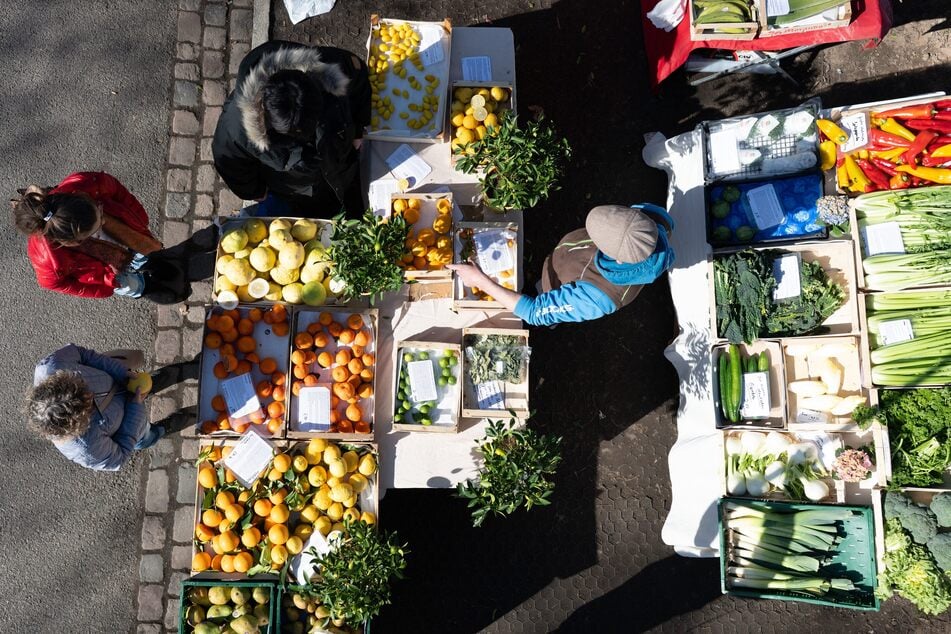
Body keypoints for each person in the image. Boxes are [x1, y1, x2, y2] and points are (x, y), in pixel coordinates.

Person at [212, 40, 371, 218]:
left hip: (338, 157)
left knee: (350, 194)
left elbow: (359, 81)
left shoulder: (330, 68)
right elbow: (230, 163)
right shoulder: (236, 127)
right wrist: (255, 191)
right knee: (313, 209)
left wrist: (358, 128)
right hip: (298, 186)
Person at [448, 204, 676, 327]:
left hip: (561, 286)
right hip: (567, 259)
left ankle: (542, 289)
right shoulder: (647, 220)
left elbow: (535, 312)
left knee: (544, 296)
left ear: (617, 259)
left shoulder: (599, 297)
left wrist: (480, 281)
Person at [11, 172, 218, 303]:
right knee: (150, 288)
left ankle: (163, 264)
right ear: (72, 242)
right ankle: (154, 285)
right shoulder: (48, 262)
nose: (102, 222)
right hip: (111, 275)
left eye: (100, 215)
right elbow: (56, 284)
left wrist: (140, 218)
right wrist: (103, 290)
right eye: (95, 229)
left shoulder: (84, 184)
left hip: (129, 239)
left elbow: (115, 189)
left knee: (157, 259)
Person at [27, 344, 168, 471]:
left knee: (138, 357)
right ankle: (160, 431)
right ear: (77, 426)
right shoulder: (85, 449)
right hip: (136, 424)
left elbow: (82, 354)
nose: (91, 392)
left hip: (118, 378)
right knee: (148, 436)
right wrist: (135, 406)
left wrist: (120, 371)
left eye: (80, 384)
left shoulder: (52, 367)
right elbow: (120, 455)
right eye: (88, 402)